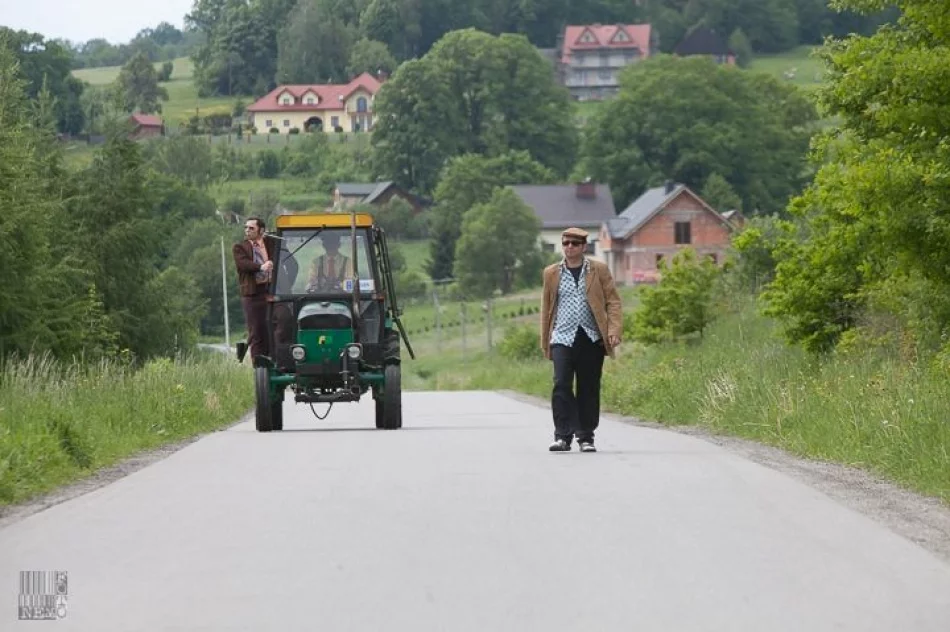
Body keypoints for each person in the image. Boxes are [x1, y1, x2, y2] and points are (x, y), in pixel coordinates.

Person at [540, 227, 623, 453]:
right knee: (561, 384)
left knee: (588, 387)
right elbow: (547, 308)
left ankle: (586, 437)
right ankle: (562, 436)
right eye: (566, 243)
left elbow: (613, 302)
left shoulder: (598, 270)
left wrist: (614, 330)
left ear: (584, 247)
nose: (569, 248)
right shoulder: (551, 273)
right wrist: (545, 340)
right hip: (562, 337)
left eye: (575, 244)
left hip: (590, 336)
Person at [233, 217, 275, 361]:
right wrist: (260, 267)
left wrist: (285, 280)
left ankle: (275, 361)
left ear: (261, 230)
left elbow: (290, 261)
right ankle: (259, 366)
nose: (247, 230)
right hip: (252, 294)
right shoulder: (240, 247)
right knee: (256, 330)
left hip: (272, 290)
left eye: (251, 228)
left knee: (276, 326)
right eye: (246, 227)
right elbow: (243, 265)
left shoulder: (272, 243)